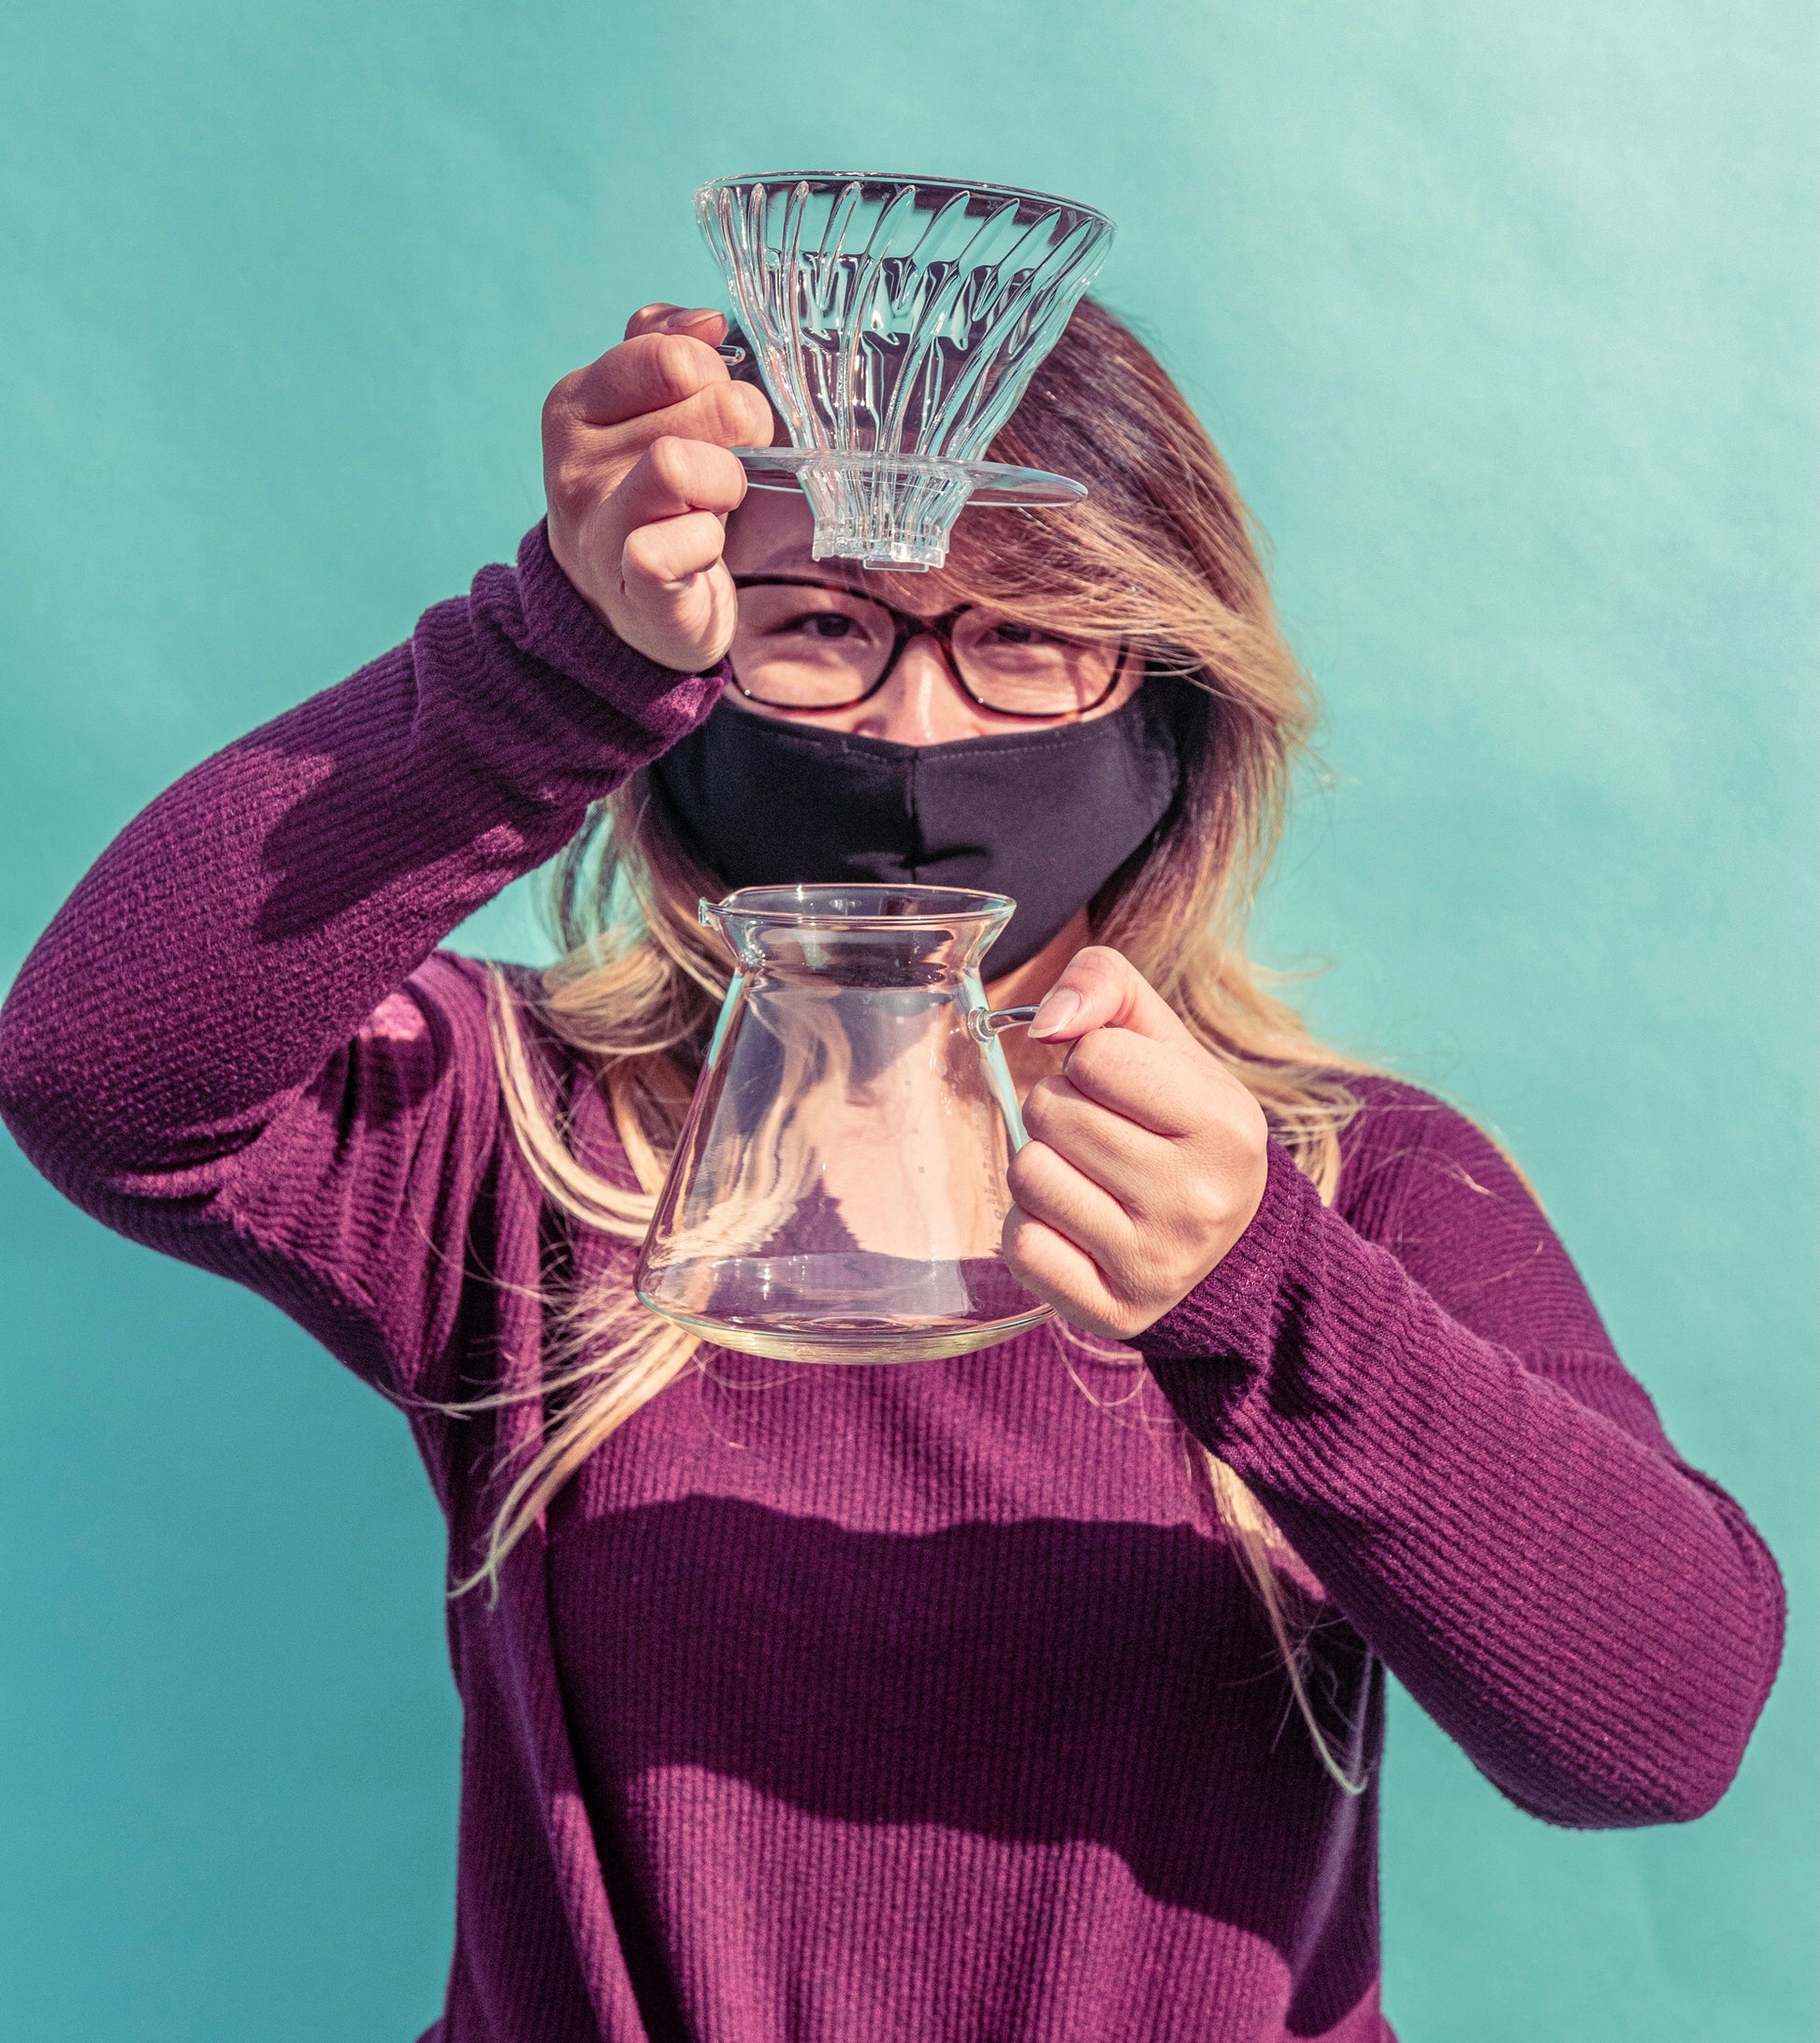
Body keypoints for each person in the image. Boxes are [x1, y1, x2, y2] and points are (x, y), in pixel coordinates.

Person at [0, 296, 1784, 2043]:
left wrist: (1262, 1290)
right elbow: (93, 1066)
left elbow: (1651, 1727)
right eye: (814, 625)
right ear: (685, 672)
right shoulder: (517, 1130)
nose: (915, 734)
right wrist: (555, 647)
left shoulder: (1338, 1178)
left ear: (1170, 713)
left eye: (1022, 639)